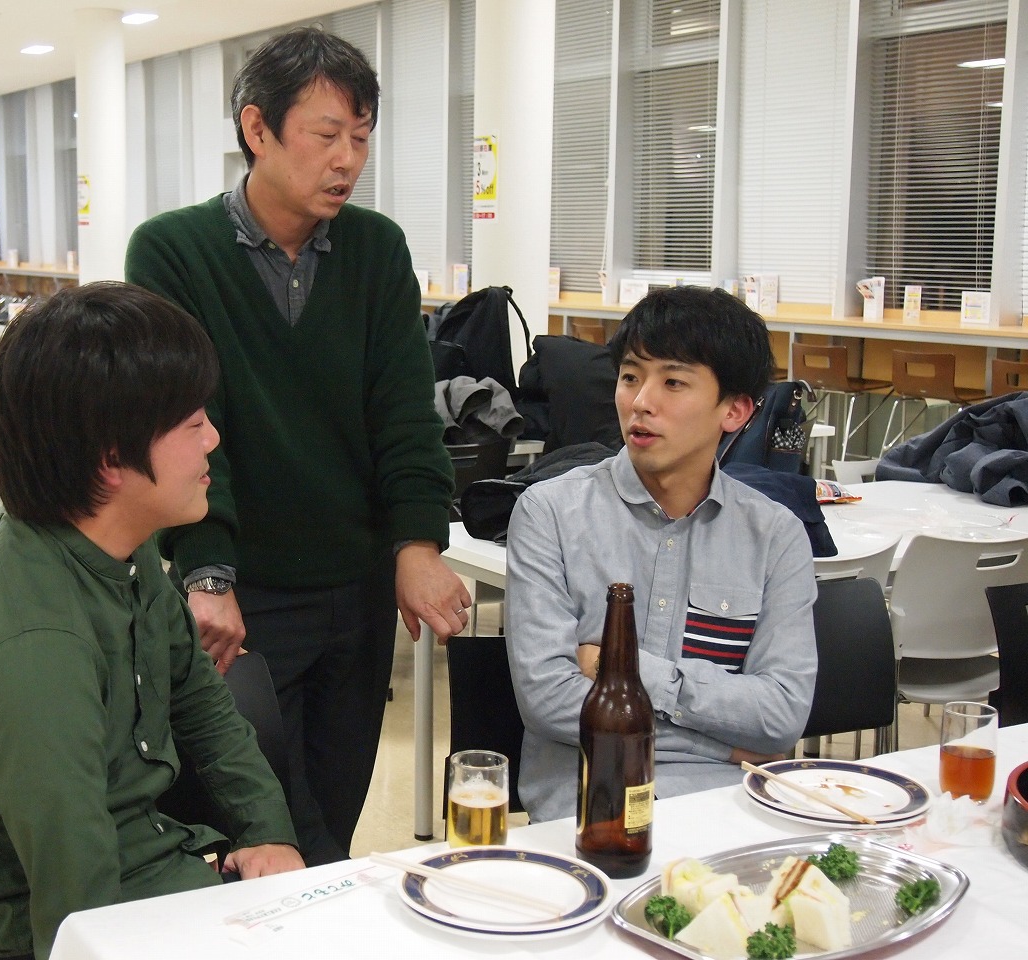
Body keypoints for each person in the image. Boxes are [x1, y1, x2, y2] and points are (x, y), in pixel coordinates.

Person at [125, 27, 470, 864]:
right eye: (326, 135)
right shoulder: (172, 251)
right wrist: (206, 573)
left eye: (362, 138)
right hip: (243, 591)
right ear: (258, 129)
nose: (347, 160)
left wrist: (417, 544)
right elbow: (183, 425)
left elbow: (404, 412)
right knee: (265, 821)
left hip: (355, 588)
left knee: (335, 814)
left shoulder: (376, 250)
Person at [0, 282, 304, 960]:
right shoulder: (34, 646)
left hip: (148, 863)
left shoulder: (118, 546)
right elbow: (74, 906)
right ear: (111, 459)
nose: (213, 438)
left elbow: (203, 706)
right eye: (191, 424)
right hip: (49, 924)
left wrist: (269, 831)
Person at [505, 286, 817, 821]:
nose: (641, 402)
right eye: (631, 377)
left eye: (673, 382)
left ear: (735, 410)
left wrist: (623, 669)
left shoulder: (776, 536)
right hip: (590, 811)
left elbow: (781, 714)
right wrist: (722, 746)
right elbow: (550, 701)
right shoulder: (550, 513)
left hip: (728, 813)